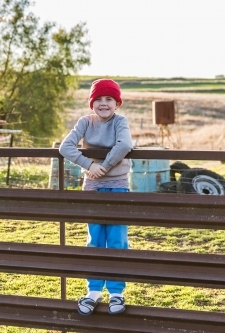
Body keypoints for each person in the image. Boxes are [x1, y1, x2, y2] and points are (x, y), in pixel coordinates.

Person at [59, 78, 133, 315]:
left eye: (109, 99)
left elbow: (124, 145)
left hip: (118, 186)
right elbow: (65, 147)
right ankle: (93, 290)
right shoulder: (85, 122)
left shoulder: (120, 122)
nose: (103, 103)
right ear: (92, 103)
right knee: (95, 240)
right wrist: (89, 165)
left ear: (117, 103)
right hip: (92, 188)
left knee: (117, 239)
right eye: (98, 99)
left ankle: (116, 293)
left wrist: (106, 166)